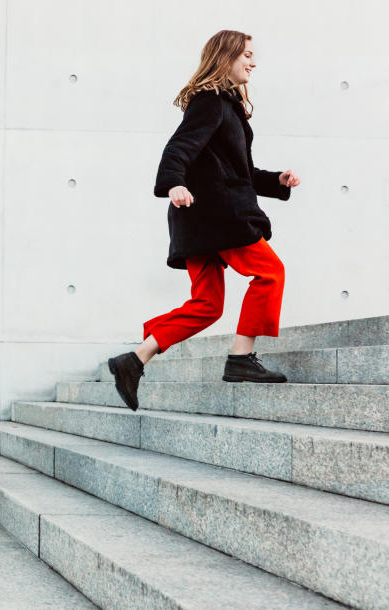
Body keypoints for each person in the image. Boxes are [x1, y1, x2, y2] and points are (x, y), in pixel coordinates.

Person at [108, 30, 301, 411]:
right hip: (218, 216)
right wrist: (173, 183)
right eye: (246, 54)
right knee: (270, 272)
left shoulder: (226, 106)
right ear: (226, 56)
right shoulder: (210, 101)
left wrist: (275, 181)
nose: (253, 61)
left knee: (207, 304)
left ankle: (134, 360)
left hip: (200, 219)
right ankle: (241, 358)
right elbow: (180, 147)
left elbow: (239, 171)